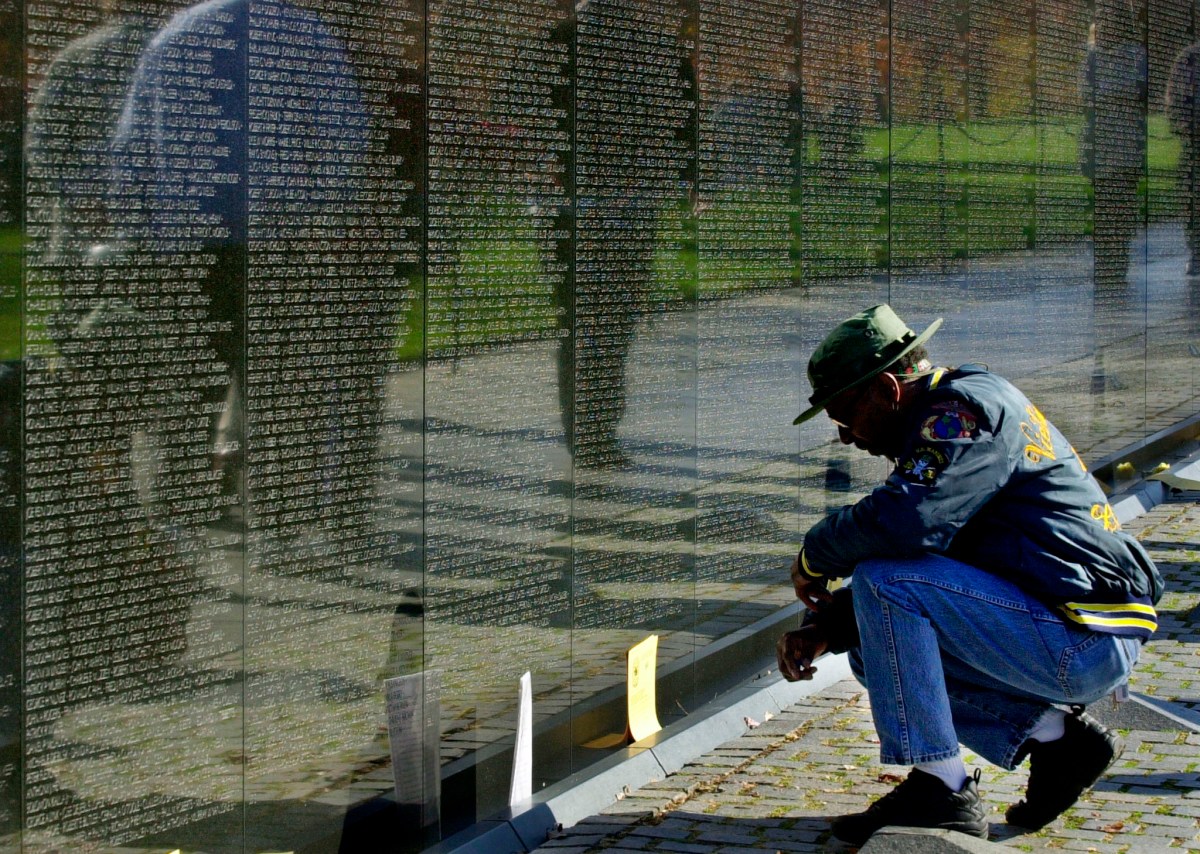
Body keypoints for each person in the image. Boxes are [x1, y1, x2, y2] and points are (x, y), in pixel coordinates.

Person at [777, 305, 1163, 846]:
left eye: (844, 416)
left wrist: (814, 555)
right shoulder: (949, 417)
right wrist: (830, 627)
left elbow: (907, 523)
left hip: (1084, 637)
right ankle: (1056, 740)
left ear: (887, 389)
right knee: (872, 640)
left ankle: (942, 792)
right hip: (1063, 625)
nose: (844, 438)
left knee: (884, 584)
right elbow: (946, 551)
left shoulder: (964, 416)